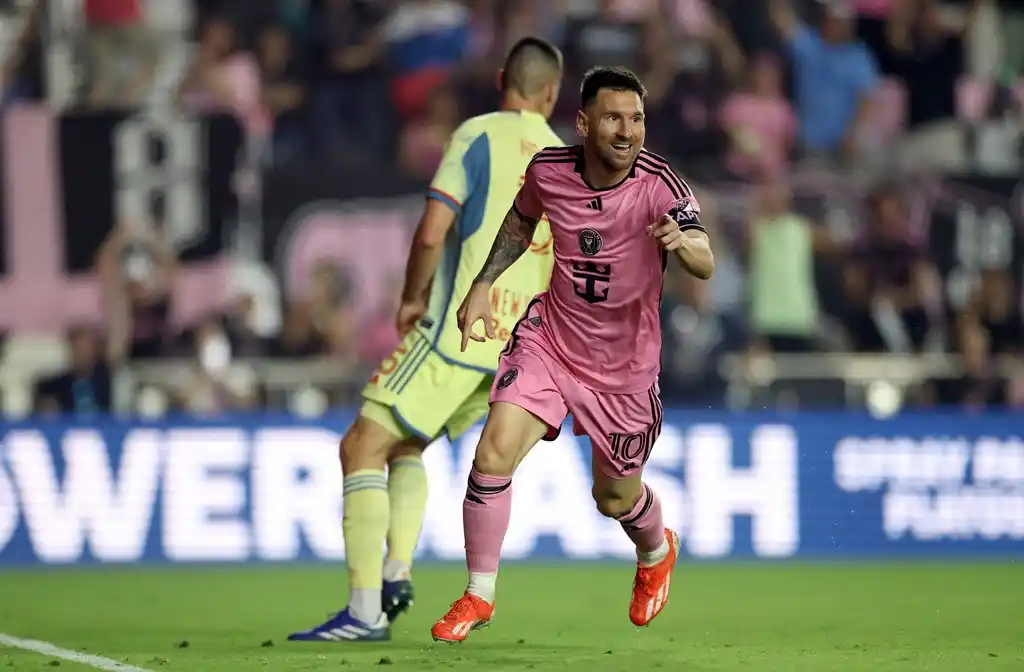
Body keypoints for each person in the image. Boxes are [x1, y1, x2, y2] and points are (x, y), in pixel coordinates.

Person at [287, 36, 564, 643]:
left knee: (360, 447)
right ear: (552, 93)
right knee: (405, 446)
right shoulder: (560, 157)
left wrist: (413, 297)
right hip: (517, 350)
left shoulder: (478, 135)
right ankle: (396, 572)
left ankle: (364, 612)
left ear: (501, 81)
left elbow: (434, 228)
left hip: (456, 335)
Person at [431, 67, 715, 643]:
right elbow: (521, 220)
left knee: (613, 499)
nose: (627, 131)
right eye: (614, 117)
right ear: (584, 123)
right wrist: (484, 284)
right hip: (552, 343)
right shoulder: (549, 170)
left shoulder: (662, 185)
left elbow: (705, 257)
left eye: (636, 119)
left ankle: (657, 550)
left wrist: (684, 245)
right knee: (493, 452)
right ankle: (478, 595)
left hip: (625, 374)